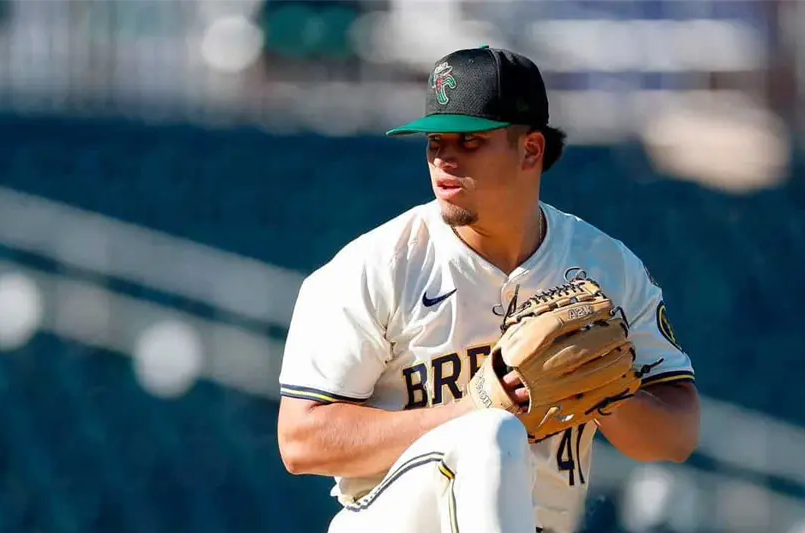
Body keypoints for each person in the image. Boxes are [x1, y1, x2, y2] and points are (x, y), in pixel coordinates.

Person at [276, 45, 701, 533]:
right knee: (488, 432)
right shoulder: (377, 266)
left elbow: (676, 437)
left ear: (531, 150)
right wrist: (472, 408)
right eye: (435, 141)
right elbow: (300, 440)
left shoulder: (606, 268)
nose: (444, 158)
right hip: (392, 520)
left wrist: (605, 395)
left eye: (469, 141)